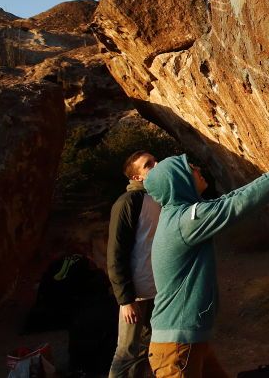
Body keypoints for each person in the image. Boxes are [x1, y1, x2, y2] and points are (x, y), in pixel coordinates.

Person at [144, 135, 269, 377]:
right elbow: (234, 206)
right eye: (190, 168)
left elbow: (227, 200)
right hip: (176, 347)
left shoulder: (181, 215)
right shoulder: (184, 222)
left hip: (185, 341)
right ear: (177, 181)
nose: (197, 168)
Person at [108, 150, 160, 377]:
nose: (156, 164)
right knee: (127, 352)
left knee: (152, 348)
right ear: (137, 177)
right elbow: (115, 254)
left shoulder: (159, 197)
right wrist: (125, 299)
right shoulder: (128, 202)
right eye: (148, 165)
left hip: (158, 290)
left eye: (155, 160)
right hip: (136, 293)